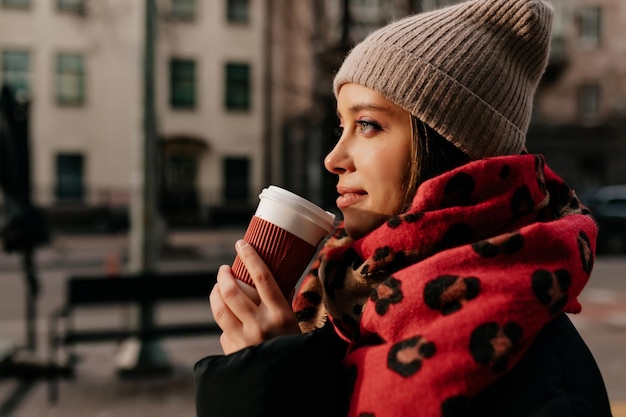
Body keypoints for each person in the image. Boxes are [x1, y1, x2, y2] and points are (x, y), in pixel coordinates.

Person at [194, 0, 614, 416]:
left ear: (449, 146)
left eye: (367, 125)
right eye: (342, 126)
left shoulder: (540, 375)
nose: (333, 158)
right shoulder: (343, 297)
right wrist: (272, 367)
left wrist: (270, 384)